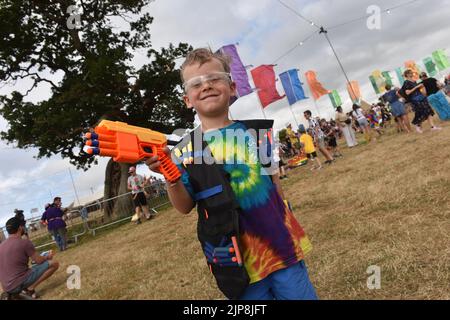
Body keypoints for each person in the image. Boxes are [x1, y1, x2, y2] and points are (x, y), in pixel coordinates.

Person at [146, 48, 316, 300]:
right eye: (196, 83)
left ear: (233, 87)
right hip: (235, 262)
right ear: (187, 100)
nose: (206, 86)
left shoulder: (258, 133)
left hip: (282, 248)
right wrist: (169, 175)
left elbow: (275, 184)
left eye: (215, 78)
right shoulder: (184, 150)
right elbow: (184, 206)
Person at [0, 217, 59, 299]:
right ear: (20, 228)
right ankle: (30, 288)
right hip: (18, 282)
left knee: (29, 270)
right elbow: (38, 261)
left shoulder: (1, 245)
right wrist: (47, 257)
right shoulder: (24, 242)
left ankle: (14, 294)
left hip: (6, 286)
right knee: (54, 263)